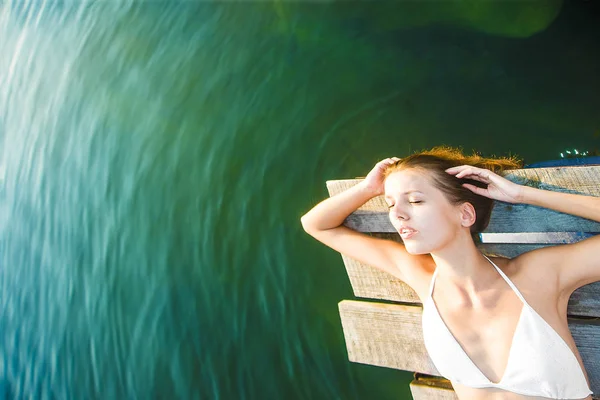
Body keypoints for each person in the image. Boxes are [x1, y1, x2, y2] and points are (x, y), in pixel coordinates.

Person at [300, 145, 599, 399]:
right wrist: (368, 189)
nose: (398, 214)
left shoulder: (538, 275)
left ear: (465, 214)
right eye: (391, 204)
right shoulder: (420, 275)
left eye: (416, 200)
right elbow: (315, 224)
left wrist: (523, 195)